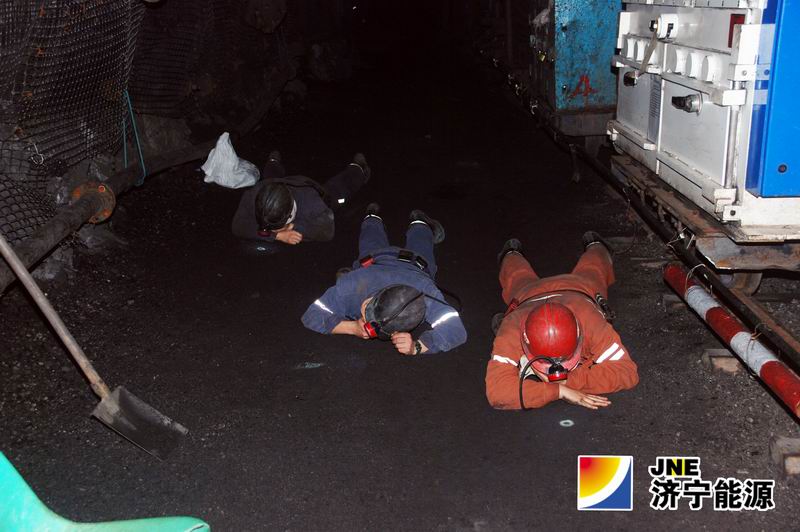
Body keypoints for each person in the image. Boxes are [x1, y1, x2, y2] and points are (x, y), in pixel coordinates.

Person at [485, 232, 639, 410]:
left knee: (594, 268)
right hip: (529, 294)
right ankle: (510, 253)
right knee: (517, 276)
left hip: (577, 288)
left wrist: (570, 381)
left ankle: (596, 245)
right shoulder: (511, 330)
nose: (557, 371)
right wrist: (558, 391)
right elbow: (497, 394)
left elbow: (627, 372)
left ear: (579, 333)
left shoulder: (590, 321)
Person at [301, 204, 467, 355]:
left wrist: (416, 347)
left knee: (411, 238)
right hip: (377, 260)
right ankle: (377, 217)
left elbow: (456, 332)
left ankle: (410, 222)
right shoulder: (353, 284)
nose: (366, 320)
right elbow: (311, 316)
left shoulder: (425, 294)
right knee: (372, 239)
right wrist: (351, 327)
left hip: (413, 263)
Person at [231, 151, 370, 247]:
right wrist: (277, 236)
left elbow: (327, 233)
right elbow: (238, 226)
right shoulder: (254, 194)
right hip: (275, 183)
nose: (274, 230)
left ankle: (358, 169)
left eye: (277, 228)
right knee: (271, 177)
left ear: (290, 215)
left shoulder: (314, 205)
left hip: (313, 188)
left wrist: (294, 227)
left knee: (337, 192)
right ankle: (273, 162)